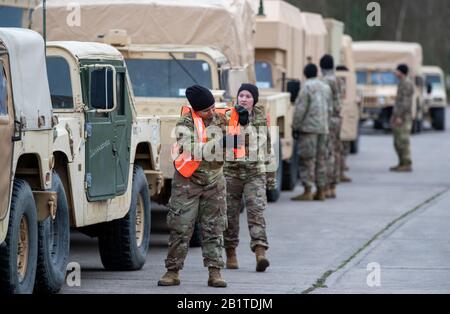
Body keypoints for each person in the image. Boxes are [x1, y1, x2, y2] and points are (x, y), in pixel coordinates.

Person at [158, 85, 230, 288]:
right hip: (188, 182)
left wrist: (243, 123)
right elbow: (194, 151)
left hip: (214, 181)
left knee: (214, 228)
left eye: (213, 107)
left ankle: (215, 272)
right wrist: (222, 142)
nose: (211, 112)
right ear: (195, 110)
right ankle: (172, 271)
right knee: (180, 227)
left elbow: (244, 140)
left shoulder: (221, 118)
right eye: (206, 110)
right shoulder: (185, 124)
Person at [223, 83, 275, 272]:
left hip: (255, 172)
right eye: (241, 95)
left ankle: (260, 254)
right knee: (229, 215)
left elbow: (267, 146)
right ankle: (231, 253)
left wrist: (271, 176)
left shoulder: (261, 118)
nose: (244, 99)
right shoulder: (229, 116)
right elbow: (227, 143)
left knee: (256, 212)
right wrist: (241, 124)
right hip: (231, 172)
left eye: (248, 96)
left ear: (254, 100)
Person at [291, 64, 329, 201]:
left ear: (305, 74)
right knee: (321, 159)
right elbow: (329, 108)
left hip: (309, 129)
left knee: (307, 159)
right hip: (323, 128)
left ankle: (307, 190)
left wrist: (295, 126)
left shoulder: (306, 87)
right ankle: (321, 191)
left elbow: (300, 109)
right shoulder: (325, 87)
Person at [320, 54, 343, 198]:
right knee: (335, 151)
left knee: (327, 153)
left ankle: (327, 186)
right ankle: (333, 185)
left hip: (328, 119)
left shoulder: (325, 81)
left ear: (321, 67)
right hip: (337, 118)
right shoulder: (338, 80)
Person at [390, 64, 414, 172]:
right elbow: (398, 102)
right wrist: (394, 116)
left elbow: (405, 102)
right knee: (397, 141)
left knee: (403, 140)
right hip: (398, 115)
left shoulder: (407, 84)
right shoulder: (402, 83)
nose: (395, 73)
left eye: (397, 71)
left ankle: (407, 163)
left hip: (404, 117)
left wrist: (400, 116)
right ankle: (401, 162)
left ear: (401, 72)